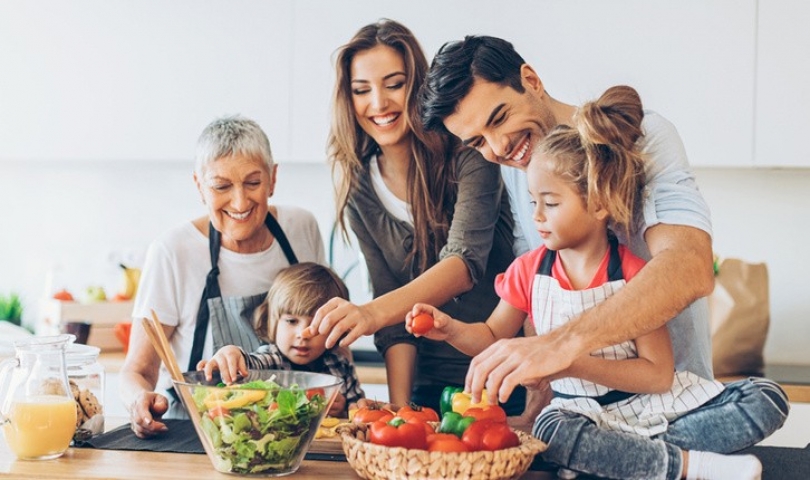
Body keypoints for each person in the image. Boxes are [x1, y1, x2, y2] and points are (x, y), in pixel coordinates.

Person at [408, 86, 787, 480]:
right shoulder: (528, 271)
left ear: (599, 203)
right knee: (553, 430)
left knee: (767, 398)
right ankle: (687, 465)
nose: (536, 216)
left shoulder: (636, 276)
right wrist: (450, 329)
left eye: (551, 203)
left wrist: (569, 359)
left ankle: (623, 461)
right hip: (583, 416)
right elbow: (491, 337)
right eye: (533, 201)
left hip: (651, 407)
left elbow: (657, 375)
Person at [419, 35, 717, 408]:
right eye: (477, 142)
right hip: (581, 410)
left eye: (499, 118)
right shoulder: (518, 167)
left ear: (531, 79)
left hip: (677, 400)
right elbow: (535, 297)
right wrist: (537, 405)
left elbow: (690, 266)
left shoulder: (644, 136)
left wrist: (561, 346)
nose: (498, 149)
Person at [305, 19, 525, 415]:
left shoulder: (469, 153)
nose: (378, 103)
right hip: (427, 388)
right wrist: (400, 411)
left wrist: (368, 314)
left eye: (394, 84)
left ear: (418, 87)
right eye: (361, 90)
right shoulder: (359, 189)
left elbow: (463, 264)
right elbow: (391, 315)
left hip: (503, 377)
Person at [120, 115, 326, 438]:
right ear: (199, 187)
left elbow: (331, 338)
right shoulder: (172, 252)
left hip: (290, 434)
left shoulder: (301, 229)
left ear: (273, 179)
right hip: (198, 437)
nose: (240, 202)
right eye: (221, 186)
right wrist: (138, 401)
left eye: (253, 183)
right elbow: (138, 370)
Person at [198, 262, 365, 418]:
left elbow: (360, 412)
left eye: (316, 325)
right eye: (292, 321)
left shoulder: (341, 366)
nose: (303, 334)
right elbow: (249, 364)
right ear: (272, 322)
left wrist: (344, 408)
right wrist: (232, 354)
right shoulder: (271, 359)